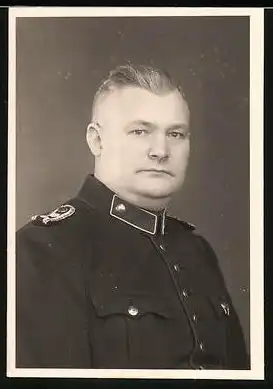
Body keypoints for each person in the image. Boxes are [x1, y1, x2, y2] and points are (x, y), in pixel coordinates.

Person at [16, 64, 249, 369]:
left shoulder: (197, 250)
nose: (160, 151)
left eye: (176, 133)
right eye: (140, 131)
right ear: (96, 140)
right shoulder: (42, 249)